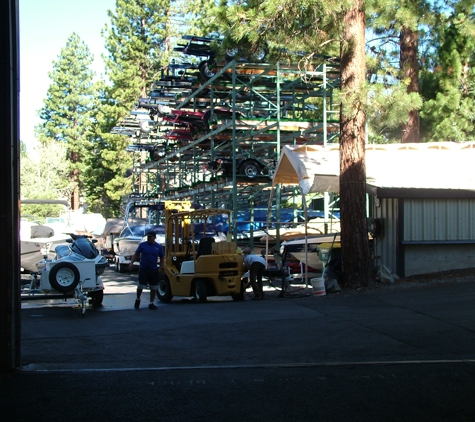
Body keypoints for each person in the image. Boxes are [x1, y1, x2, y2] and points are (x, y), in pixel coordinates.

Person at [129, 231, 165, 310]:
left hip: (153, 269)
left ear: (154, 237)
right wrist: (131, 263)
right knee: (140, 286)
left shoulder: (158, 247)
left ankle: (151, 303)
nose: (149, 238)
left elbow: (162, 257)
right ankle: (138, 299)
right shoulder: (143, 245)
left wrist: (160, 268)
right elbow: (136, 254)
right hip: (143, 269)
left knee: (154, 287)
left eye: (151, 236)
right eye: (148, 236)